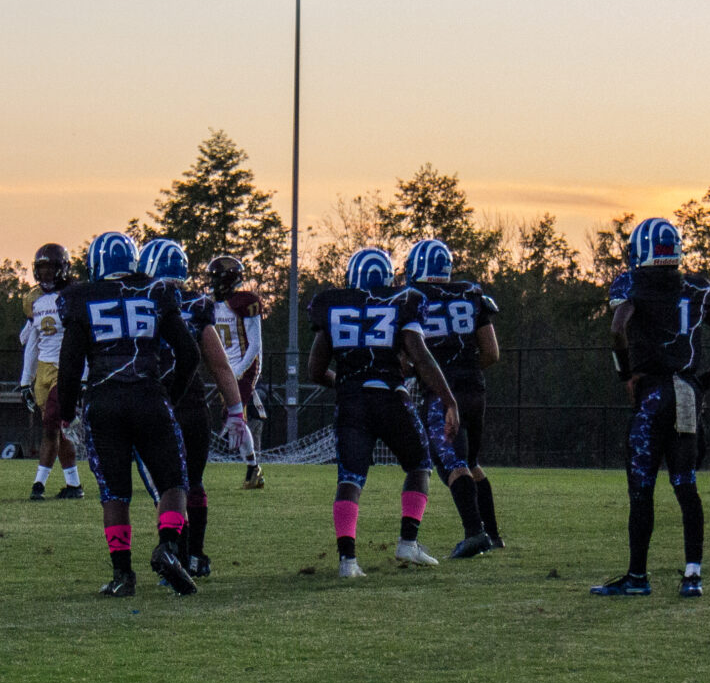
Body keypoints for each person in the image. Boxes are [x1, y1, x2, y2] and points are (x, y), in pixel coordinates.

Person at [593, 217, 710, 598]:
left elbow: (617, 328)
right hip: (686, 394)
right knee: (685, 485)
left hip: (652, 394)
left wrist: (625, 374)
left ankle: (637, 576)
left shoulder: (631, 285)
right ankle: (693, 575)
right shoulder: (695, 288)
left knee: (642, 489)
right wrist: (705, 381)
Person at [55, 232, 202, 596]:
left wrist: (66, 411)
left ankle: (123, 575)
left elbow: (70, 365)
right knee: (173, 482)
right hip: (149, 398)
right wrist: (170, 394)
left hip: (103, 403)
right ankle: (168, 547)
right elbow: (189, 353)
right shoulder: (155, 292)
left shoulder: (80, 298)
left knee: (114, 493)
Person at [307, 246, 460, 579]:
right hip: (391, 399)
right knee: (419, 464)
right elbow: (420, 356)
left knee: (349, 479)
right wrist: (449, 399)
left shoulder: (333, 306)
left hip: (351, 403)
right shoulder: (402, 302)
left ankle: (347, 561)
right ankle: (408, 542)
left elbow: (315, 370)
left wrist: (346, 384)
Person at [139, 238, 252, 578]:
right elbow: (220, 366)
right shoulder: (196, 306)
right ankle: (195, 556)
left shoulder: (138, 302)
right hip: (191, 401)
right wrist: (236, 411)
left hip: (156, 400)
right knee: (194, 482)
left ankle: (175, 553)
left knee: (167, 487)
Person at [402, 238, 504, 556]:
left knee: (452, 463)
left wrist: (432, 376)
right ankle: (493, 535)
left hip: (442, 394)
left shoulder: (411, 299)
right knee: (471, 462)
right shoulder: (471, 295)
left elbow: (405, 359)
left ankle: (475, 533)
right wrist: (465, 369)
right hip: (475, 389)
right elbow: (492, 352)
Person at [18, 244, 84, 500]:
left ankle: (39, 483)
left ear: (62, 269)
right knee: (57, 430)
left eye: (50, 267)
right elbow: (32, 343)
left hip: (65, 367)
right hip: (43, 370)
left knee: (52, 424)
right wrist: (26, 381)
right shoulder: (35, 300)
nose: (45, 273)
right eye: (42, 268)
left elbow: (83, 339)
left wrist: (83, 377)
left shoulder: (73, 296)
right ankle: (74, 485)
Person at [209, 256, 269, 488]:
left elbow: (255, 345)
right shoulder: (212, 305)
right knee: (232, 417)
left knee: (235, 416)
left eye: (216, 278)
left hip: (246, 364)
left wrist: (239, 371)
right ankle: (253, 469)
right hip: (226, 367)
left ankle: (254, 469)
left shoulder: (246, 302)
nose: (212, 283)